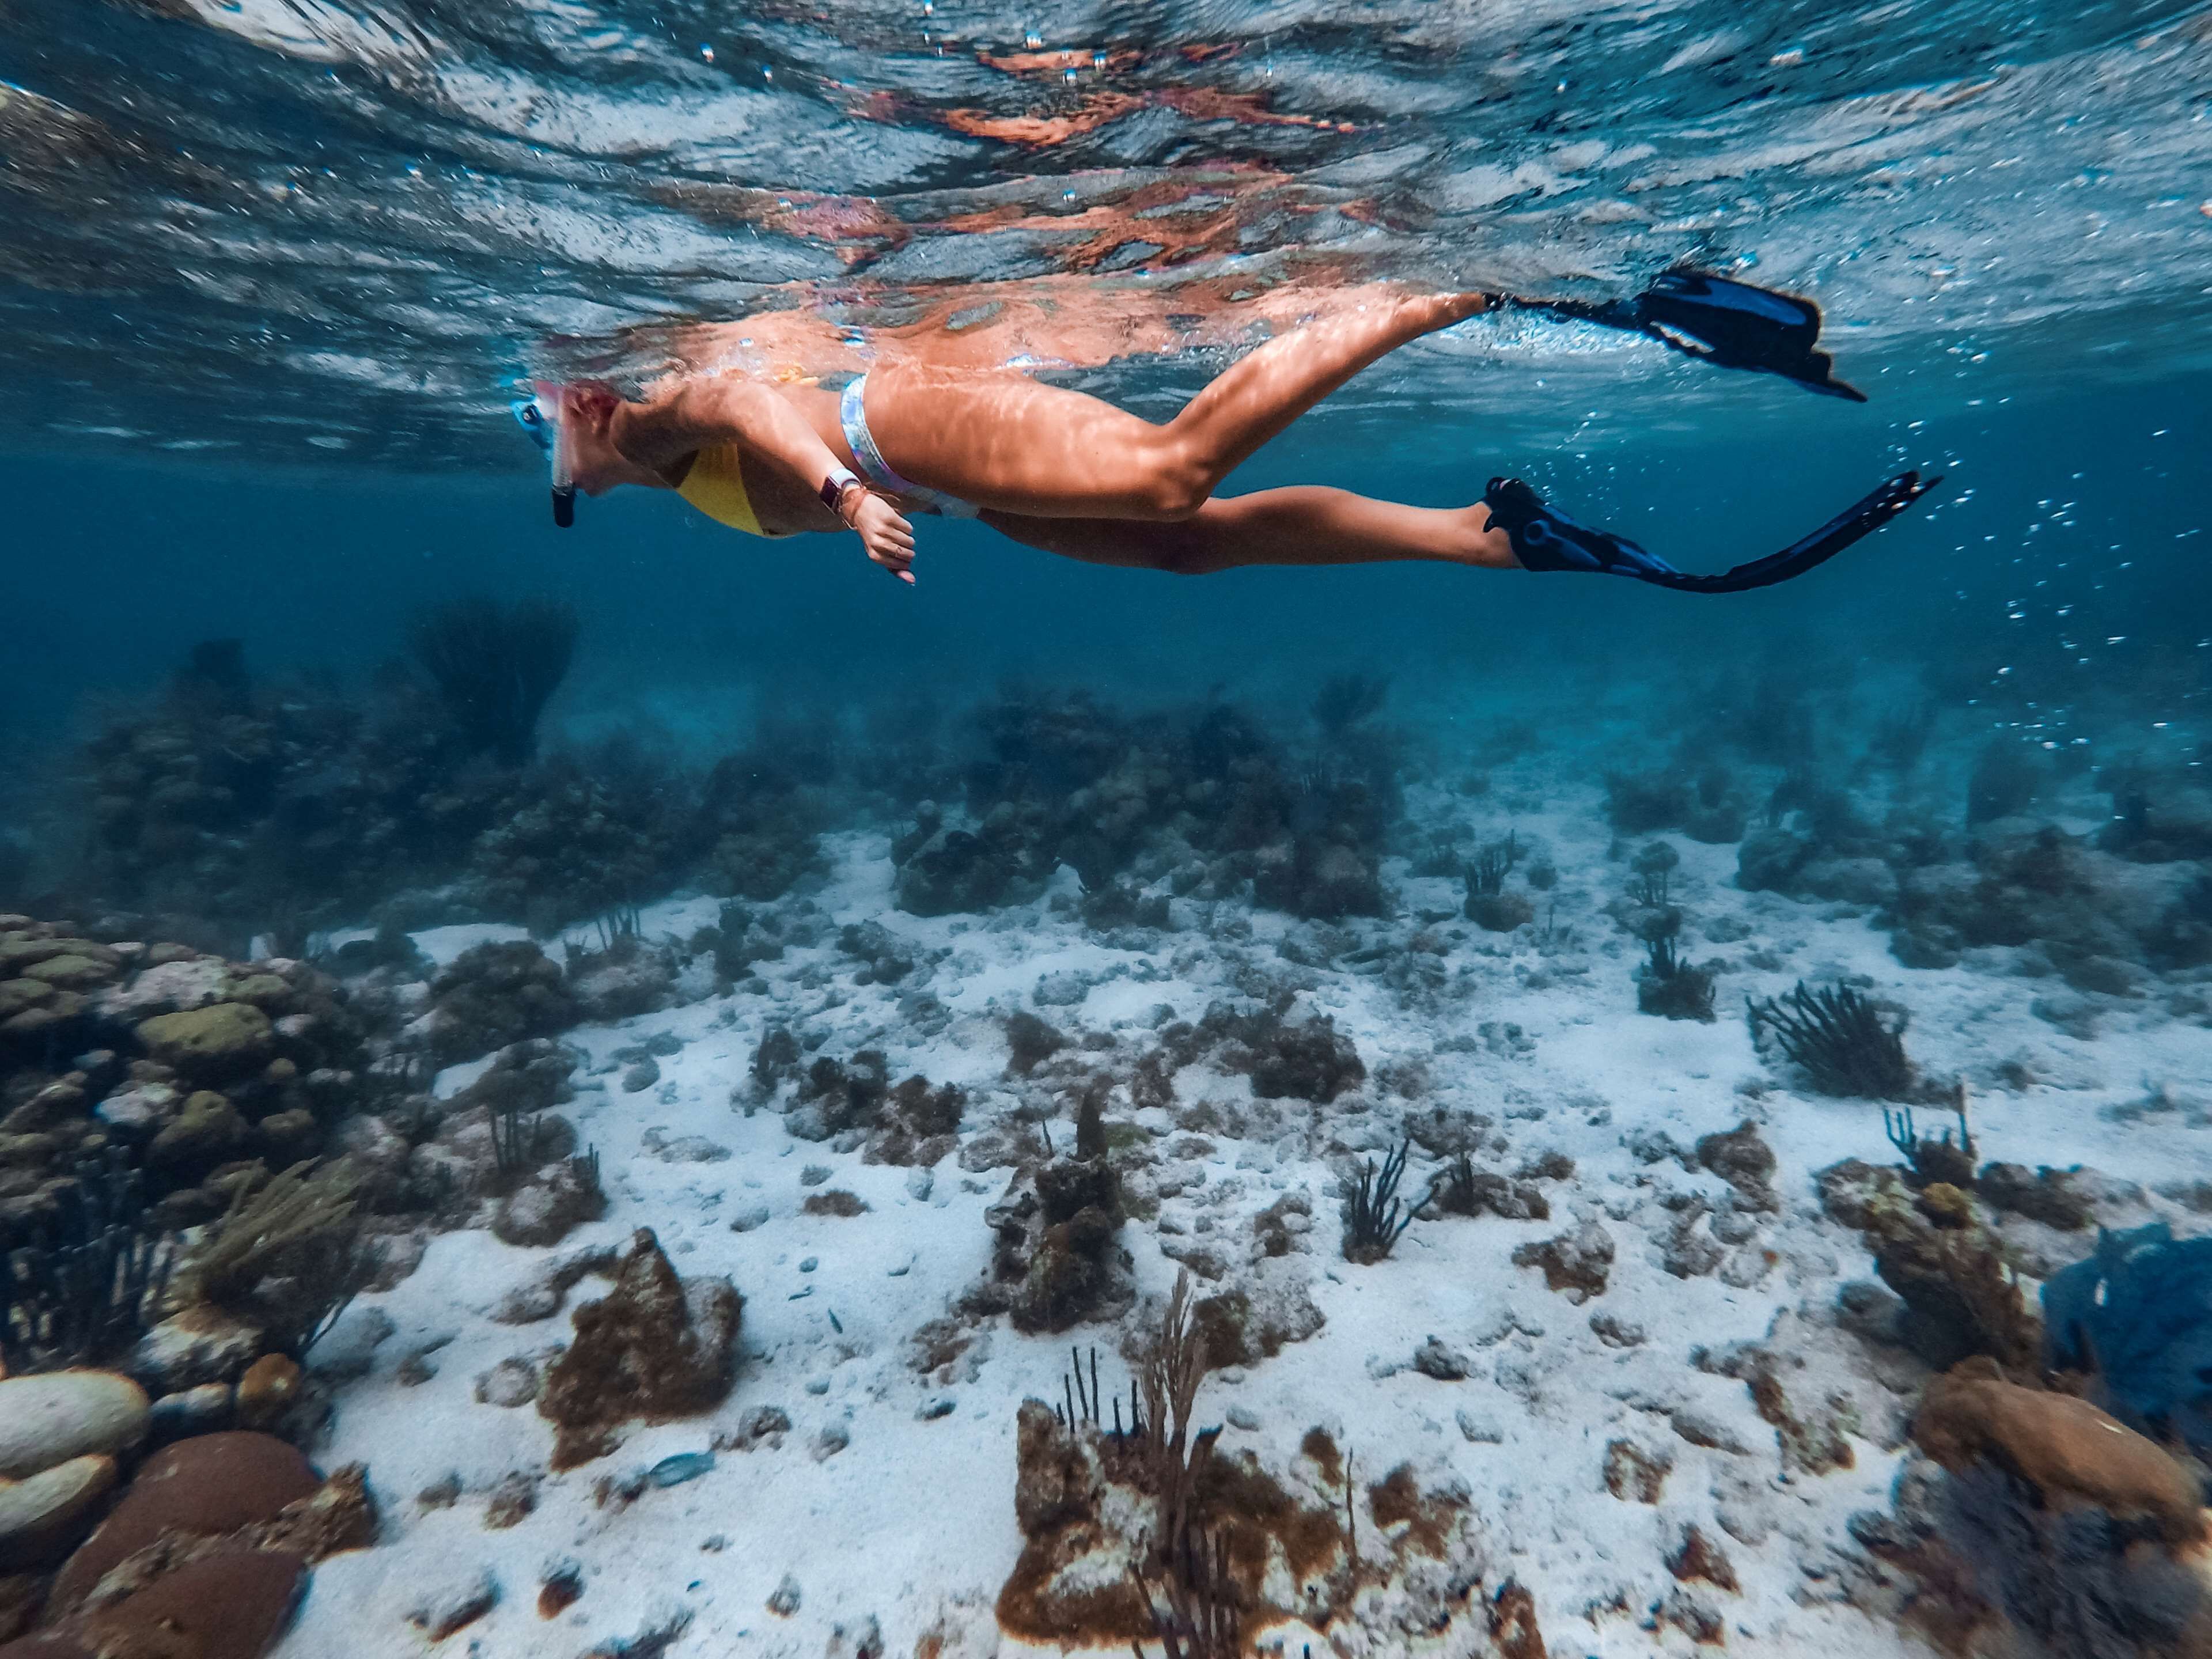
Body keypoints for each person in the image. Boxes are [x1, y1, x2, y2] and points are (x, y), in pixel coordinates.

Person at [520, 274, 1935, 594]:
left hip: (887, 429)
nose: (556, 480)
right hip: (935, 490)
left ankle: (1451, 278)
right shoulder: (626, 465)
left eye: (552, 457)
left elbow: (757, 402)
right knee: (1187, 548)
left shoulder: (667, 400)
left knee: (1167, 467)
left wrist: (837, 492)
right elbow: (654, 463)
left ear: (580, 402)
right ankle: (1492, 537)